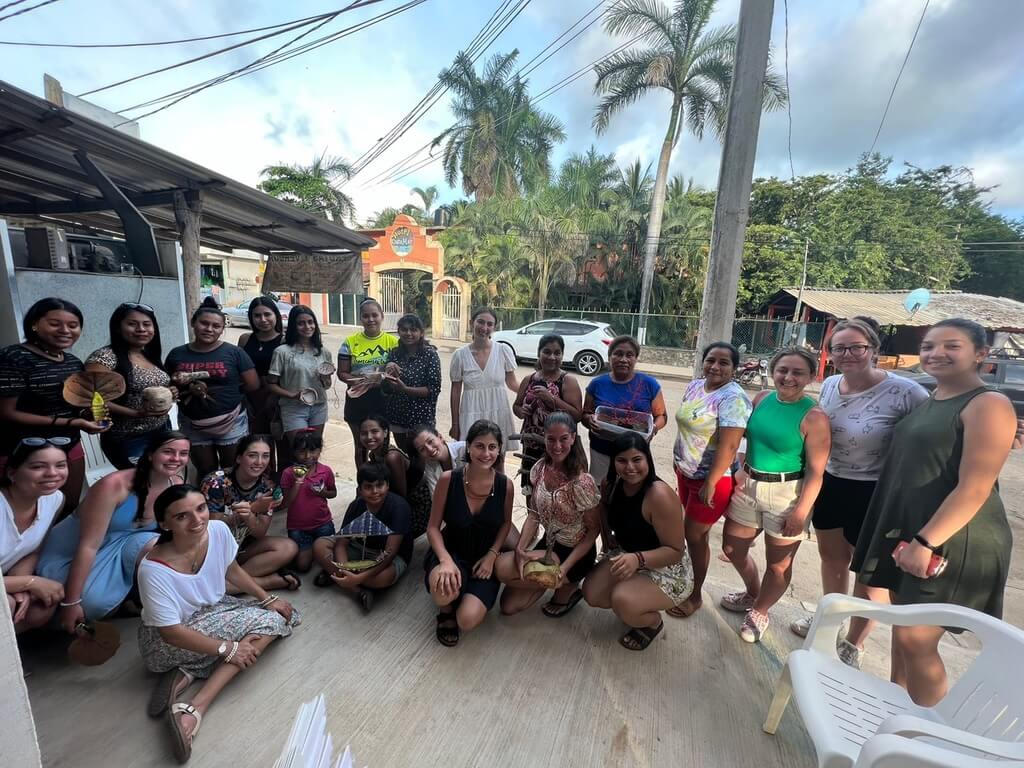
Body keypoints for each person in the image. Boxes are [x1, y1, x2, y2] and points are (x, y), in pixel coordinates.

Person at [852, 319, 1016, 706]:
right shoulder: (933, 398)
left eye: (951, 346)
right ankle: (898, 707)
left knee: (916, 639)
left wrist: (926, 542)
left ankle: (927, 728)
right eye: (928, 346)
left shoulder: (988, 404)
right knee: (902, 627)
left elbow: (975, 487)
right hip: (911, 527)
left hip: (951, 537)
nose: (936, 353)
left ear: (981, 353)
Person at [788, 318, 928, 668]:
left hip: (876, 493)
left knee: (869, 573)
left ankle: (854, 642)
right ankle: (831, 622)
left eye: (856, 347)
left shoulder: (906, 392)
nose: (847, 354)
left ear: (874, 349)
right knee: (832, 559)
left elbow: (934, 430)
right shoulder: (830, 385)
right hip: (831, 483)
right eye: (839, 348)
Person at [138, 485, 298, 763]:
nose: (197, 520)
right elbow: (170, 633)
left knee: (281, 613)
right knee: (271, 623)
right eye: (182, 516)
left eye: (200, 509)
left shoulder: (218, 530)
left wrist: (266, 598)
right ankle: (195, 708)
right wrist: (229, 649)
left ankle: (188, 671)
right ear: (164, 524)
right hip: (165, 643)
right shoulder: (153, 570)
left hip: (209, 611)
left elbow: (231, 569)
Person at [719, 347, 831, 643]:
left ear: (811, 376)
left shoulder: (814, 417)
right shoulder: (762, 399)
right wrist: (739, 469)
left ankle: (761, 610)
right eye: (783, 370)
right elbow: (745, 439)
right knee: (732, 549)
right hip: (748, 485)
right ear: (773, 371)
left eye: (797, 372)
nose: (788, 377)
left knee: (779, 564)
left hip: (787, 494)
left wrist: (800, 512)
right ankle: (752, 592)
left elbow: (816, 472)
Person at [36, 431, 190, 631]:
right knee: (91, 606)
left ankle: (145, 599)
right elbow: (88, 546)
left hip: (123, 546)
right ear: (150, 454)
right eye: (168, 452)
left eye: (183, 453)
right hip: (73, 553)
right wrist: (71, 602)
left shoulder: (175, 484)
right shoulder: (114, 485)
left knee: (160, 545)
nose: (176, 459)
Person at [582, 432, 691, 651]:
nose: (630, 467)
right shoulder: (611, 484)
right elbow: (603, 506)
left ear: (648, 459)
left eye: (637, 459)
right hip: (627, 554)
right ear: (613, 462)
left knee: (622, 599)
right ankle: (635, 601)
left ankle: (652, 622)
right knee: (592, 592)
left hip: (667, 568)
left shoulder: (659, 495)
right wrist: (607, 536)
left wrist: (638, 559)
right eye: (622, 460)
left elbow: (676, 551)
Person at [0, 297, 106, 516]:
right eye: (55, 324)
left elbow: (75, 405)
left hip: (69, 445)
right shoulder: (14, 357)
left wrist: (90, 417)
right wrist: (70, 422)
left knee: (67, 506)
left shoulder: (73, 362)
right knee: (23, 513)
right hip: (24, 450)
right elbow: (7, 413)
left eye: (73, 325)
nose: (65, 330)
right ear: (34, 324)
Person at [668, 342, 752, 619]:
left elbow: (730, 446)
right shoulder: (696, 386)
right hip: (686, 472)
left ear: (734, 368)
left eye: (723, 362)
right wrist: (679, 460)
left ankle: (695, 595)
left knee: (695, 536)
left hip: (712, 480)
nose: (715, 367)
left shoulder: (733, 398)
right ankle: (688, 582)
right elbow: (686, 426)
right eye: (710, 360)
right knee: (692, 534)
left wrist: (712, 482)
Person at [495, 412, 599, 617]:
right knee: (509, 606)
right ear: (544, 437)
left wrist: (566, 567)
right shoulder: (540, 468)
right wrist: (520, 548)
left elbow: (593, 530)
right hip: (549, 545)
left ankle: (567, 584)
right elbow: (534, 514)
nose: (557, 446)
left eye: (563, 439)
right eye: (551, 439)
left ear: (573, 437)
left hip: (575, 553)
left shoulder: (581, 482)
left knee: (501, 567)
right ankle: (548, 580)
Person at [425, 420, 513, 647]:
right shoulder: (449, 479)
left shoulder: (505, 485)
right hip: (451, 551)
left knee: (466, 620)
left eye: (492, 447)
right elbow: (433, 527)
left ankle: (463, 595)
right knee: (443, 592)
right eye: (479, 446)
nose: (486, 453)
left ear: (499, 450)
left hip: (483, 559)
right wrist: (444, 560)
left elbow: (506, 524)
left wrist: (492, 555)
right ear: (469, 448)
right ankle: (446, 610)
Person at [165, 297, 258, 477]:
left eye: (216, 326)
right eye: (204, 323)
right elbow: (168, 384)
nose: (209, 329)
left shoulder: (234, 353)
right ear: (193, 323)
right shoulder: (177, 354)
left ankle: (230, 497)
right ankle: (208, 496)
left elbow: (253, 384)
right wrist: (174, 389)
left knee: (233, 471)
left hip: (232, 423)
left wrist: (228, 394)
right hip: (193, 424)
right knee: (206, 472)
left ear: (222, 329)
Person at [199, 434, 299, 592]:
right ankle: (265, 582)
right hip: (212, 550)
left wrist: (251, 514)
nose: (259, 462)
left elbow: (259, 533)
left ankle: (226, 584)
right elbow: (211, 529)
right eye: (252, 455)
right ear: (239, 458)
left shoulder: (268, 487)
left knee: (289, 547)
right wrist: (253, 508)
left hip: (242, 547)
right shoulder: (215, 482)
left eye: (265, 456)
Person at [311, 462, 413, 612]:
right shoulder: (357, 505)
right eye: (368, 487)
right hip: (359, 547)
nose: (375, 491)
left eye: (379, 485)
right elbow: (341, 544)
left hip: (389, 556)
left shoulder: (399, 507)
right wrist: (344, 569)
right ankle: (358, 592)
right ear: (359, 489)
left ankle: (335, 575)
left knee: (382, 578)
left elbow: (389, 554)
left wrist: (358, 577)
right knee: (319, 546)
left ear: (388, 485)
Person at [85, 302, 173, 469]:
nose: (141, 329)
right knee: (142, 481)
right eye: (132, 324)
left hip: (161, 429)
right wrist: (135, 413)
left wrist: (170, 392)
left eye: (147, 324)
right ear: (118, 328)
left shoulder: (148, 354)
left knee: (162, 478)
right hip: (129, 437)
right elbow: (91, 397)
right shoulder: (104, 358)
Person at [2, 438, 68, 632]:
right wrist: (28, 583)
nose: (52, 473)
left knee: (42, 606)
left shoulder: (54, 499)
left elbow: (32, 551)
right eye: (38, 467)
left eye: (60, 465)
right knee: (5, 604)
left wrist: (20, 587)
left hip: (6, 577)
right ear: (12, 473)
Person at [581, 335, 667, 484]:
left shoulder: (649, 384)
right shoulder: (597, 384)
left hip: (634, 455)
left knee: (632, 491)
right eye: (618, 354)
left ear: (636, 358)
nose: (623, 359)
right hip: (601, 450)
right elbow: (585, 414)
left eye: (629, 355)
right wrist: (589, 420)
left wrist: (654, 427)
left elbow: (662, 416)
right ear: (610, 357)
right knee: (602, 489)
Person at [512, 334, 583, 498]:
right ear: (539, 353)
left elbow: (577, 415)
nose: (552, 357)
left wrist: (552, 399)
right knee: (531, 491)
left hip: (559, 449)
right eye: (547, 352)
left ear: (562, 356)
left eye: (557, 353)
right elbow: (516, 405)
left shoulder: (567, 381)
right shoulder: (529, 379)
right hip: (531, 447)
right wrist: (521, 411)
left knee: (558, 494)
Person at [337, 298, 398, 468]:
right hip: (357, 402)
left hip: (384, 401)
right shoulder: (349, 342)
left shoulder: (393, 342)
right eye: (365, 316)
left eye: (374, 315)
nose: (370, 319)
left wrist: (380, 380)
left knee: (382, 446)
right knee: (360, 446)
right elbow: (342, 373)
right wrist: (363, 381)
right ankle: (363, 479)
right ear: (360, 319)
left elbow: (397, 373)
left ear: (381, 316)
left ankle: (382, 479)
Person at [449, 307, 519, 453]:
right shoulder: (460, 355)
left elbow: (512, 383)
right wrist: (455, 424)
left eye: (489, 324)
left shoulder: (503, 350)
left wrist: (532, 391)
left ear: (494, 327)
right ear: (471, 323)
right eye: (480, 322)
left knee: (498, 456)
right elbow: (455, 392)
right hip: (471, 412)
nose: (484, 328)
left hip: (498, 411)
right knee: (472, 456)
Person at [266, 305, 334, 453]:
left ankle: (314, 470)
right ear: (293, 326)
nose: (307, 327)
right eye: (301, 323)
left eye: (310, 322)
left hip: (319, 406)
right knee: (301, 451)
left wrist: (325, 378)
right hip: (293, 407)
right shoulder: (282, 352)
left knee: (314, 450)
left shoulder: (323, 352)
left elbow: (327, 385)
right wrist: (293, 395)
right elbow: (271, 384)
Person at [237, 298, 285, 473]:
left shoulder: (284, 341)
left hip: (277, 401)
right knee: (258, 448)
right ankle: (263, 483)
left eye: (267, 314)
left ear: (276, 315)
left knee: (283, 448)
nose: (263, 319)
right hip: (252, 401)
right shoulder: (245, 339)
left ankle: (282, 485)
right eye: (257, 315)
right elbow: (239, 369)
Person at [382, 314, 442, 454]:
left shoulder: (430, 355)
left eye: (413, 330)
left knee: (423, 457)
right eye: (404, 329)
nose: (408, 333)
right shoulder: (394, 354)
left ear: (421, 333)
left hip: (421, 418)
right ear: (399, 331)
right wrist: (387, 372)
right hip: (397, 415)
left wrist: (405, 389)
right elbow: (386, 387)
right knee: (405, 457)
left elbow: (433, 389)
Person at [280, 431, 337, 572]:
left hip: (323, 524)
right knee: (303, 566)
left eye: (312, 451)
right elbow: (286, 503)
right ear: (294, 452)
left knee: (331, 559)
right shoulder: (288, 473)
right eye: (302, 451)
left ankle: (316, 553)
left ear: (320, 450)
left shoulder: (325, 471)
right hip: (298, 528)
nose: (307, 456)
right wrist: (297, 482)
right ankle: (309, 552)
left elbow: (333, 493)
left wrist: (323, 493)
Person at [356, 414, 409, 499]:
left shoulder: (392, 457)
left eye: (374, 431)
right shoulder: (373, 454)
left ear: (385, 433)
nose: (369, 437)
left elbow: (400, 495)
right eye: (364, 433)